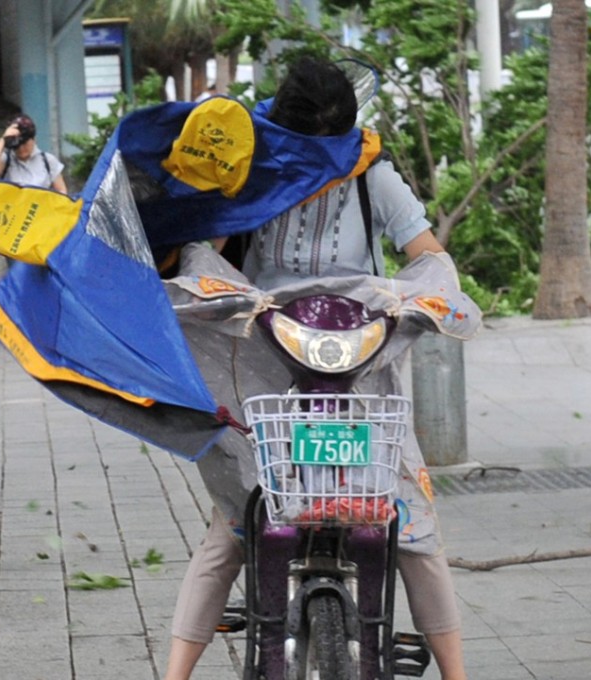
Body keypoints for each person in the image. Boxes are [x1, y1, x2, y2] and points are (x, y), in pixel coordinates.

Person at [163, 58, 468, 680]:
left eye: (337, 142)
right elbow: (203, 247)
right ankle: (173, 673)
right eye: (315, 144)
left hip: (358, 361)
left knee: (409, 525)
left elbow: (427, 252)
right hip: (264, 361)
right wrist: (213, 285)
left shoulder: (372, 175)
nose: (329, 154)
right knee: (235, 526)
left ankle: (460, 674)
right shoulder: (252, 173)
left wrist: (424, 290)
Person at [0, 114, 67, 194]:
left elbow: (62, 192)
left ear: (33, 139)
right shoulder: (7, 159)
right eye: (17, 146)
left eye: (25, 144)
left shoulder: (48, 160)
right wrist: (4, 139)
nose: (21, 149)